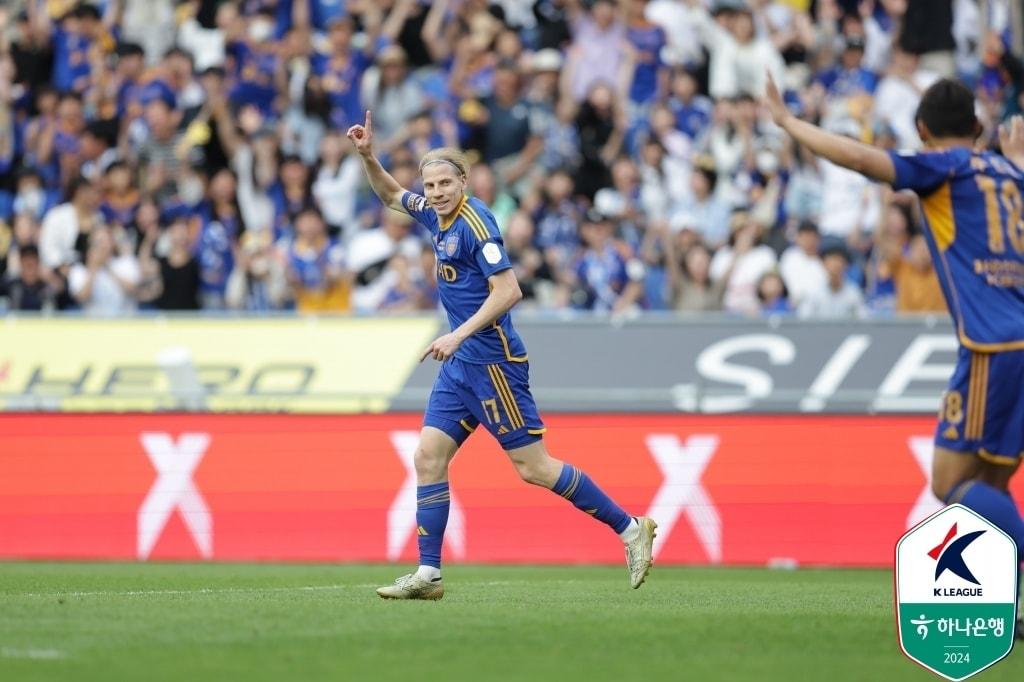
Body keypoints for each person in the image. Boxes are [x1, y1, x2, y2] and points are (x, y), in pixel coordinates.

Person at [347, 110, 657, 600]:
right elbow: (389, 194)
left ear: (464, 181)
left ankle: (630, 527)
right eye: (430, 185)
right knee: (428, 456)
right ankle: (428, 576)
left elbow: (508, 290)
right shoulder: (433, 213)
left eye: (446, 182)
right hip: (461, 367)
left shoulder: (477, 223)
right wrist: (368, 156)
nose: (436, 192)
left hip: (493, 363)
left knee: (534, 468)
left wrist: (457, 335)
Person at [765, 74, 1024, 636]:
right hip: (1018, 339)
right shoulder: (1007, 172)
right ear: (979, 127)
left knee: (951, 481)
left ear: (922, 130)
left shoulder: (944, 167)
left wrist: (789, 123)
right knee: (992, 486)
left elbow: (861, 158)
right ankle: (1008, 607)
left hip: (991, 345)